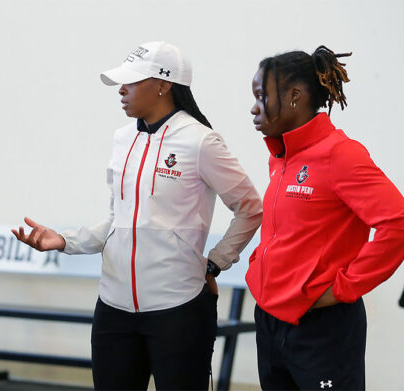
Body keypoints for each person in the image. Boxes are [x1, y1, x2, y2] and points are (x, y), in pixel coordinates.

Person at [13, 41, 263, 390]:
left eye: (131, 81)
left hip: (177, 309)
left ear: (163, 85)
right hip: (113, 310)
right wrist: (65, 241)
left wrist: (216, 262)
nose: (122, 89)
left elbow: (250, 207)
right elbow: (119, 221)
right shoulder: (121, 139)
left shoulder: (201, 142)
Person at [246, 46, 404, 390]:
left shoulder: (340, 154)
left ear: (294, 96)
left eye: (262, 96)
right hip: (270, 320)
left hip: (321, 328)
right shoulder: (281, 156)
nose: (254, 107)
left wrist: (342, 288)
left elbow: (401, 224)